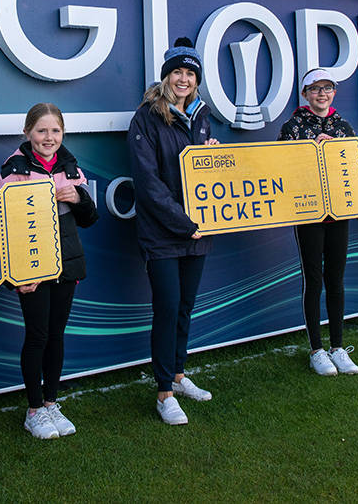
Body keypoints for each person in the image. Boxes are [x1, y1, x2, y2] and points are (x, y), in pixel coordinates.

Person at [127, 37, 220, 425]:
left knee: (184, 307)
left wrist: (215, 156)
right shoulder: (146, 117)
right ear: (166, 76)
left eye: (190, 73)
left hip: (198, 233)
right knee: (166, 310)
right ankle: (164, 392)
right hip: (165, 233)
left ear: (197, 80)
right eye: (177, 72)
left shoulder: (201, 116)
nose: (183, 79)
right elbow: (148, 184)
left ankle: (179, 375)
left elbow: (203, 171)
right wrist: (186, 224)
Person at [0, 103, 98, 439]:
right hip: (33, 270)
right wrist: (18, 275)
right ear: (28, 133)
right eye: (41, 130)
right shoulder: (14, 168)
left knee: (57, 335)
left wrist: (79, 198)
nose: (49, 137)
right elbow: (3, 229)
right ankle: (34, 409)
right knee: (37, 335)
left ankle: (52, 402)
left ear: (63, 133)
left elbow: (89, 218)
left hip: (67, 263)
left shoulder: (70, 166)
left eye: (55, 131)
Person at [278, 68, 358, 377]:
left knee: (336, 278)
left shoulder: (343, 125)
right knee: (313, 279)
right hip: (308, 213)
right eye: (315, 89)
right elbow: (283, 168)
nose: (322, 94)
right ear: (305, 94)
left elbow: (353, 166)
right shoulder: (293, 126)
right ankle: (316, 349)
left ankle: (338, 346)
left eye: (327, 88)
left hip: (339, 213)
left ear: (334, 93)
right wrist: (313, 149)